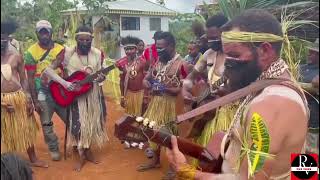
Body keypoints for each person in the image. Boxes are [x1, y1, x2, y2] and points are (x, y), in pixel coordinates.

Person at [166, 9, 309, 179]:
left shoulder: (272, 103)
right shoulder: (276, 84)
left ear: (264, 50)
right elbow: (302, 163)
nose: (227, 64)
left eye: (234, 55)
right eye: (226, 55)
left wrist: (185, 170)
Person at [44, 25, 107, 171]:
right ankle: (80, 155)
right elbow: (48, 70)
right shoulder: (66, 53)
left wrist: (102, 77)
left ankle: (88, 150)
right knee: (78, 126)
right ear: (76, 39)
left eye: (88, 39)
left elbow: (102, 73)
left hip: (93, 96)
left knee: (91, 123)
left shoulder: (98, 53)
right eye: (81, 39)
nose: (85, 42)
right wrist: (65, 84)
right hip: (75, 97)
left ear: (92, 39)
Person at [182, 14, 233, 167]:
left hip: (230, 114)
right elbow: (190, 78)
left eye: (214, 38)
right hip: (207, 112)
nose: (210, 42)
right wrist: (186, 90)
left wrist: (228, 92)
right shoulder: (208, 54)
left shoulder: (237, 58)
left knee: (224, 160)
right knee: (205, 157)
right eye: (208, 38)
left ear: (226, 34)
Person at [137, 32, 188, 179]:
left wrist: (164, 88)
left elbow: (184, 88)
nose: (158, 51)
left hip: (172, 106)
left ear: (171, 46)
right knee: (154, 133)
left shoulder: (182, 64)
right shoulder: (158, 61)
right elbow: (147, 78)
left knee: (170, 137)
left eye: (161, 47)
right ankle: (156, 161)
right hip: (156, 103)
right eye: (156, 47)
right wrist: (146, 83)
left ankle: (174, 168)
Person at [1, 20, 48, 168]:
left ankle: (33, 159)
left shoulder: (16, 57)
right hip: (2, 100)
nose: (1, 41)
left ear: (8, 39)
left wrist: (28, 100)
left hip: (18, 97)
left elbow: (24, 79)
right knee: (6, 131)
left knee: (25, 128)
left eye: (3, 38)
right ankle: (10, 163)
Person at [24, 20, 67, 161]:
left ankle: (76, 143)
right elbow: (30, 78)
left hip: (60, 92)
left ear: (51, 33)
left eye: (46, 32)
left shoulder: (61, 49)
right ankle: (53, 148)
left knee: (70, 119)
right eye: (41, 32)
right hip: (42, 94)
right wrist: (34, 99)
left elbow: (66, 71)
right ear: (37, 33)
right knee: (46, 123)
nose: (44, 35)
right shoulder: (30, 52)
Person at [117, 36, 149, 117]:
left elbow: (146, 79)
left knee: (141, 117)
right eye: (126, 49)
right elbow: (121, 81)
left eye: (131, 49)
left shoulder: (142, 62)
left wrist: (145, 96)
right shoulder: (122, 63)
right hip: (129, 94)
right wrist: (122, 96)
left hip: (140, 94)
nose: (129, 51)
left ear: (136, 49)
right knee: (129, 117)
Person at [299, 38, 319, 154]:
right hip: (298, 114)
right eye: (310, 51)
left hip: (313, 118)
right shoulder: (301, 67)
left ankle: (305, 173)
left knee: (310, 148)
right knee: (296, 144)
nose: (309, 54)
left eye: (313, 53)